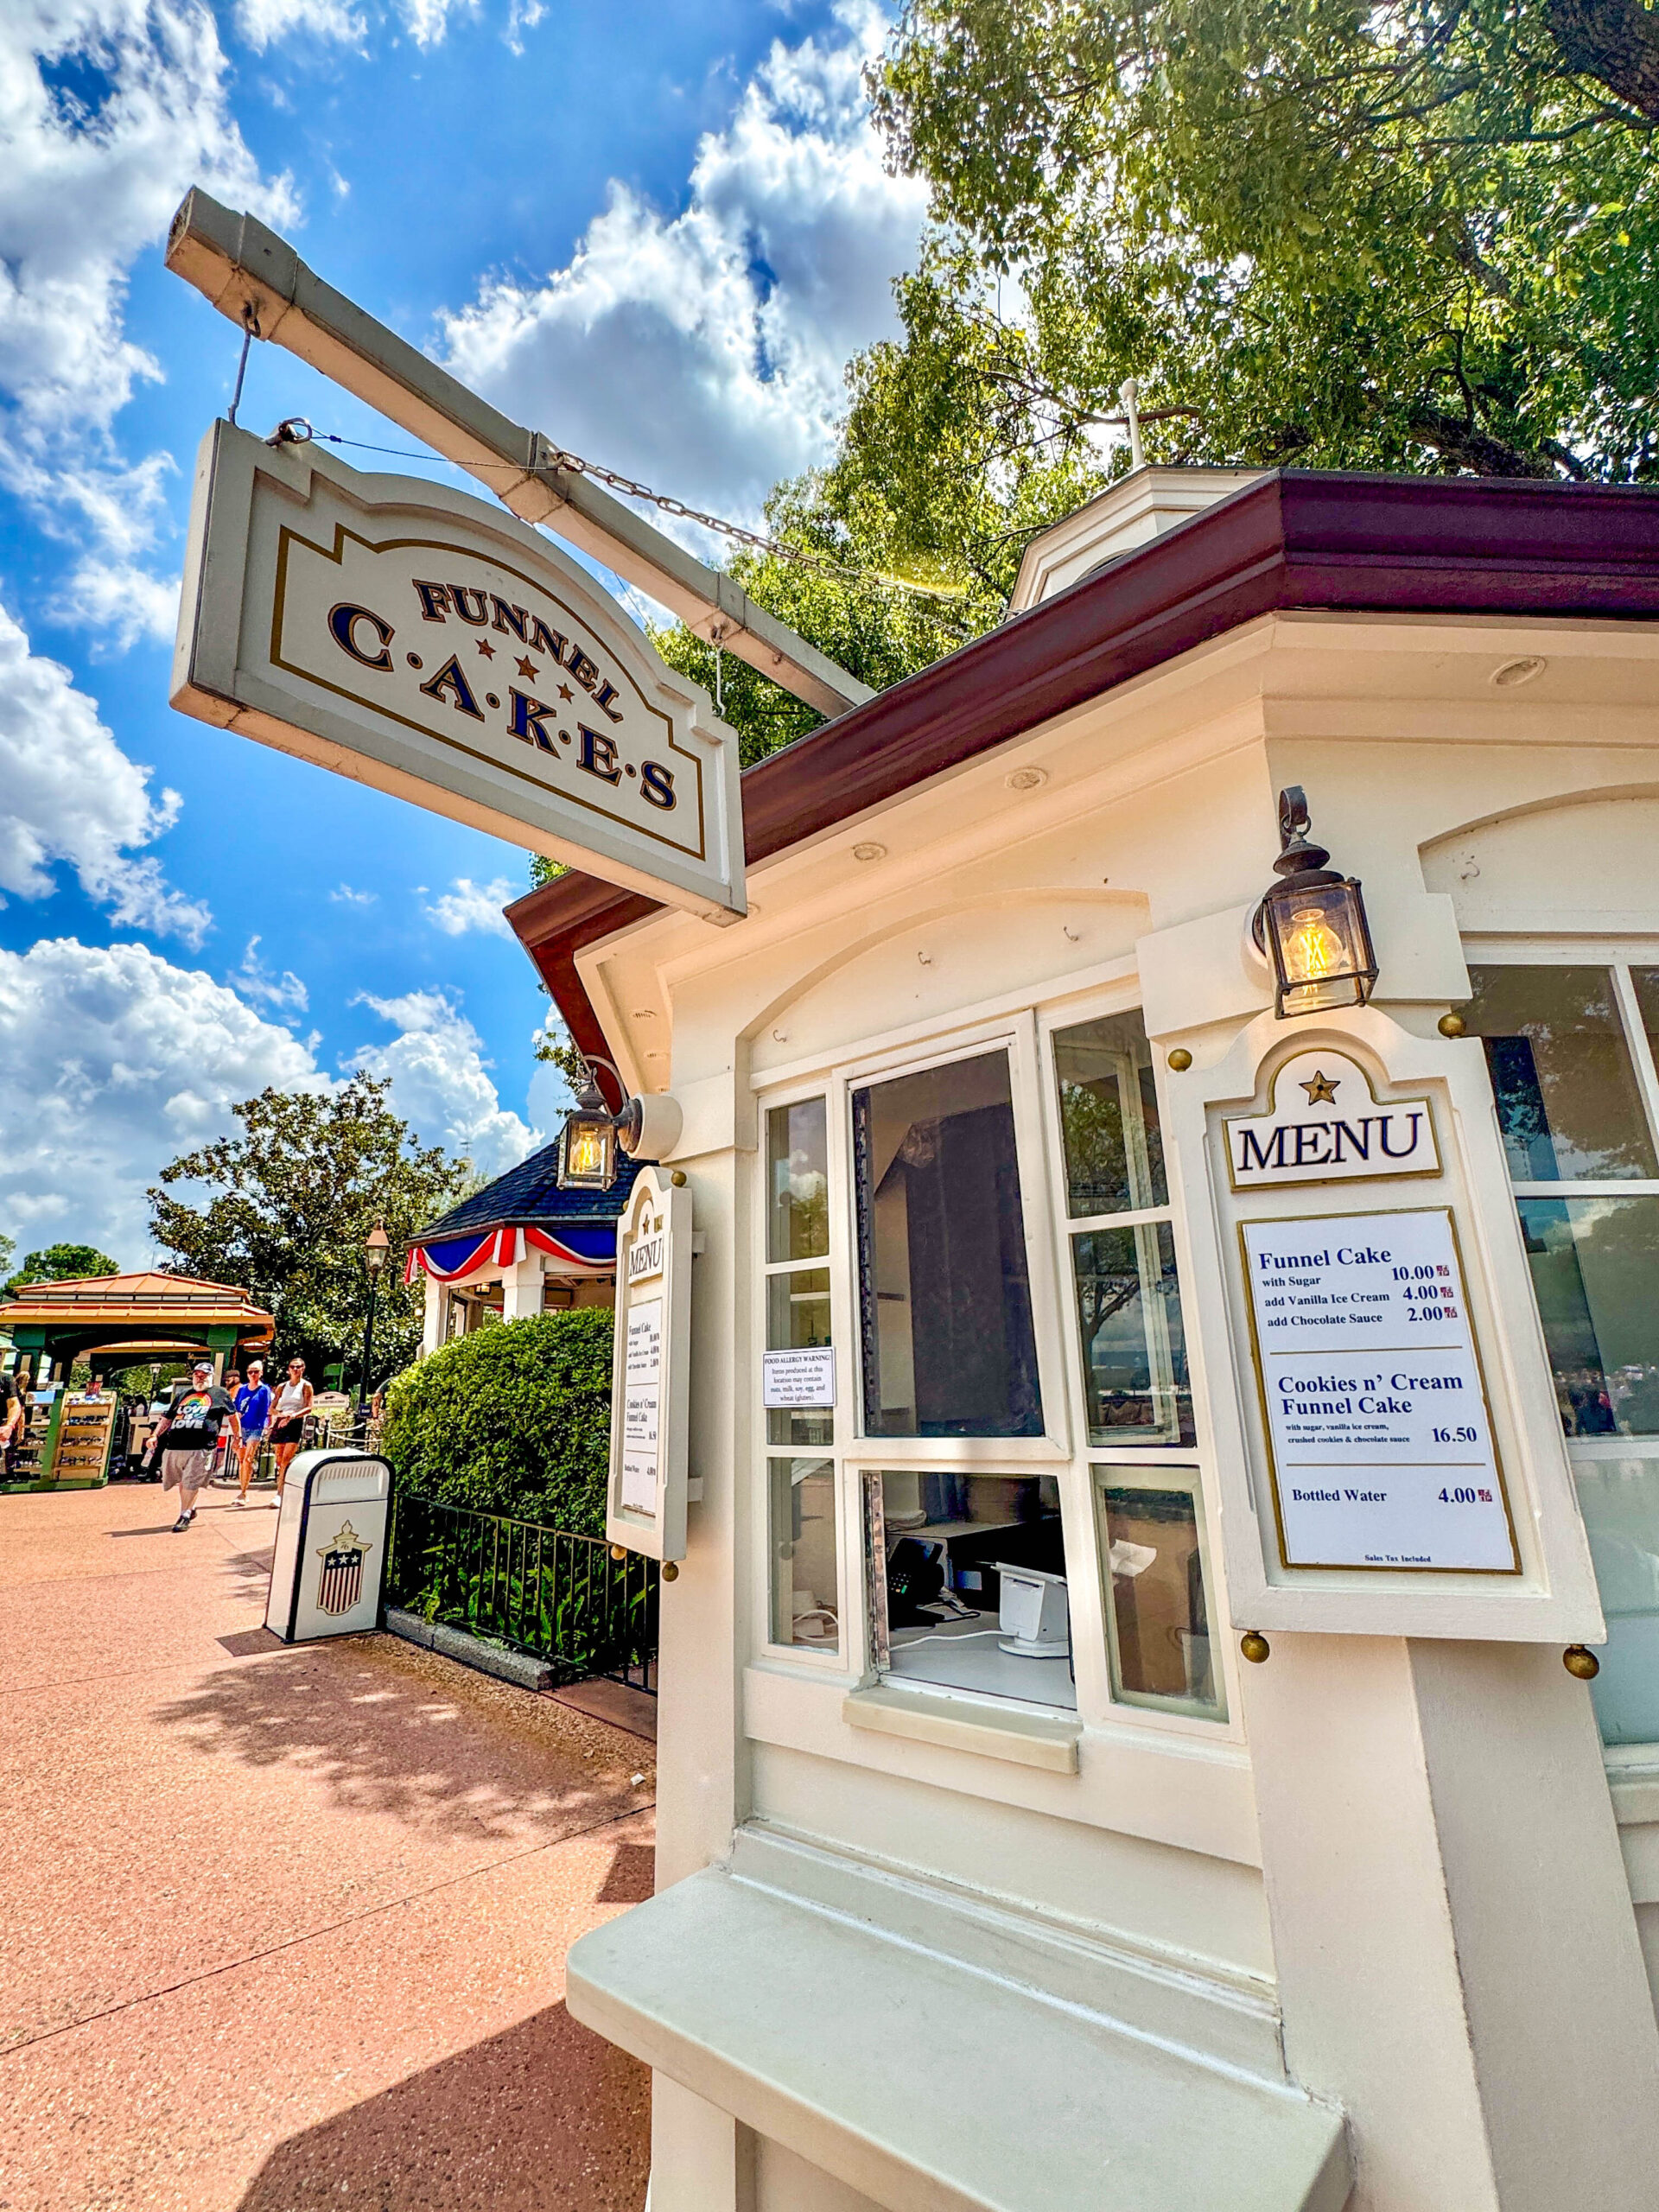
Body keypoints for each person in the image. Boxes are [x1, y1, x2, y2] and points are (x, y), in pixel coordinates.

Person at [152, 1358, 240, 1533]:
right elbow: (168, 1417)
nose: (200, 1378)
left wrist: (238, 1437)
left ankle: (184, 1515)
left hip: (202, 1446)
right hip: (175, 1446)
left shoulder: (220, 1393)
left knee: (191, 1481)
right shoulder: (182, 1395)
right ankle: (189, 1508)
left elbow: (233, 1416)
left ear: (211, 1377)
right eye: (197, 1375)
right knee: (183, 1482)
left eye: (204, 1375)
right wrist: (155, 1435)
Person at [268, 1357, 314, 1502]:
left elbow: (309, 1407)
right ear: (288, 1369)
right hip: (282, 1420)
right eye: (293, 1367)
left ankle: (280, 1493)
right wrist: (282, 1415)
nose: (295, 1369)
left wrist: (293, 1416)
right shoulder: (282, 1387)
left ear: (303, 1368)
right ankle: (284, 1484)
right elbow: (272, 1408)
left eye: (298, 1367)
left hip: (295, 1422)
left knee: (287, 1458)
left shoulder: (306, 1386)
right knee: (279, 1458)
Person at [233, 1359, 271, 1506]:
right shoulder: (242, 1389)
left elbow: (266, 1410)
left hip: (256, 1427)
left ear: (261, 1373)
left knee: (248, 1458)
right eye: (250, 1372)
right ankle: (243, 1489)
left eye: (256, 1371)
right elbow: (236, 1409)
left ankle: (243, 1492)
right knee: (242, 1460)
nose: (253, 1374)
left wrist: (267, 1426)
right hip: (242, 1427)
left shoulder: (264, 1390)